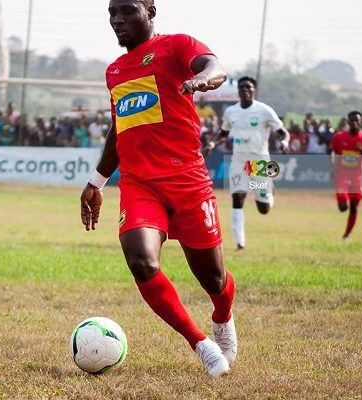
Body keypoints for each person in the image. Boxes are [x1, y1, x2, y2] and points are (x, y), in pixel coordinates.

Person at [80, 0, 235, 378]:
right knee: (141, 261)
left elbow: (214, 66)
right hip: (138, 184)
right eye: (112, 13)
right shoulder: (114, 71)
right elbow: (120, 130)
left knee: (212, 278)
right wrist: (96, 181)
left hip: (188, 181)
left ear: (150, 10)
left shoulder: (177, 45)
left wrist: (204, 79)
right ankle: (201, 344)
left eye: (127, 11)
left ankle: (223, 317)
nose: (118, 20)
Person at [202, 76, 290, 250]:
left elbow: (282, 132)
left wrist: (285, 142)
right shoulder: (231, 112)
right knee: (237, 197)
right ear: (238, 91)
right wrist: (212, 143)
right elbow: (224, 133)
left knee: (263, 208)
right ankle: (240, 243)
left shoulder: (264, 110)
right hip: (239, 160)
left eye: (248, 87)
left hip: (259, 161)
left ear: (254, 91)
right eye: (241, 87)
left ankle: (269, 192)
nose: (244, 90)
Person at [330, 111, 362, 240]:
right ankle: (341, 203)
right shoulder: (339, 137)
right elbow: (333, 152)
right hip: (341, 176)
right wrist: (332, 167)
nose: (354, 123)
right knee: (342, 207)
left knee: (354, 207)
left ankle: (346, 235)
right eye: (352, 120)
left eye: (357, 120)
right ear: (348, 122)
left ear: (361, 122)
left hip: (356, 178)